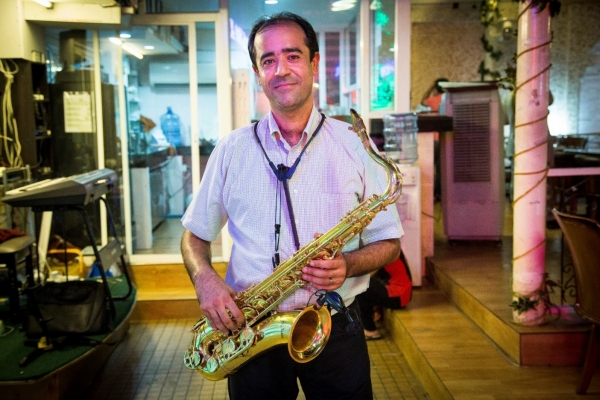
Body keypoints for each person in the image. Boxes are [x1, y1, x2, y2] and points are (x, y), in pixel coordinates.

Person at [180, 11, 402, 400]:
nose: (281, 69)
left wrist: (348, 265)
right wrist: (205, 279)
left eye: (293, 56)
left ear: (314, 63)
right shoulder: (232, 149)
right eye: (268, 60)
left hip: (334, 327)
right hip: (251, 332)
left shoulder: (353, 145)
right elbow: (193, 237)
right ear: (257, 71)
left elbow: (389, 242)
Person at [357, 252, 413, 340]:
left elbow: (368, 275)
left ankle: (370, 330)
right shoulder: (387, 244)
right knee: (362, 283)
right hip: (400, 292)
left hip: (398, 294)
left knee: (359, 286)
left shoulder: (383, 250)